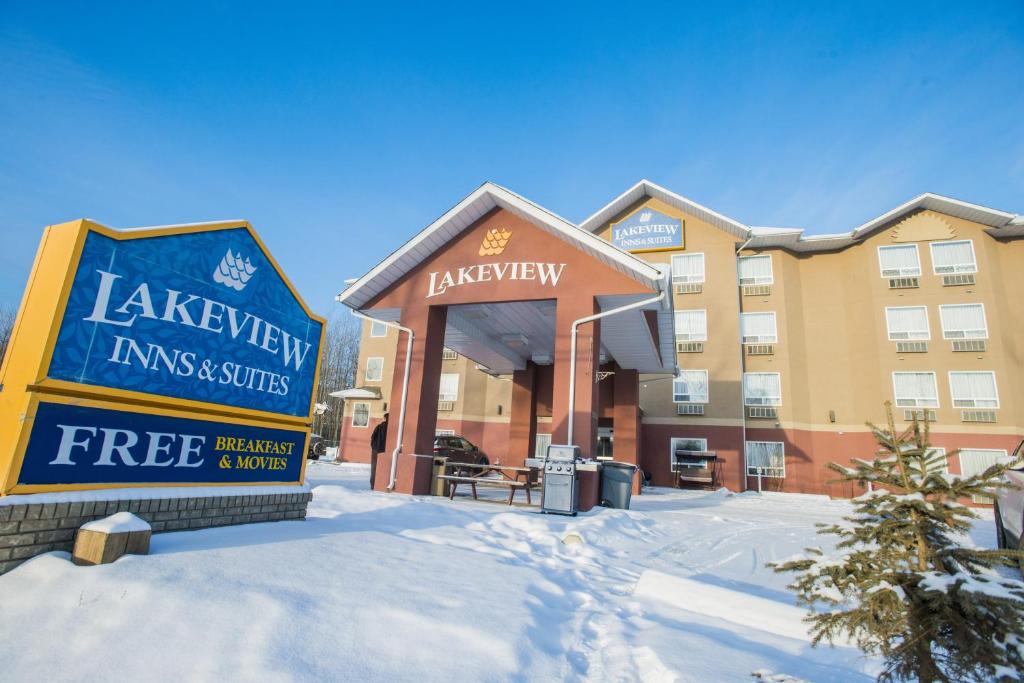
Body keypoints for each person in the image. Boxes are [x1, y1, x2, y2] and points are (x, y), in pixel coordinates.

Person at [369, 412, 389, 489]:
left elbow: (372, 437)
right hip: (385, 450)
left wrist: (373, 447)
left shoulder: (379, 426)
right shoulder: (391, 428)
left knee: (374, 468)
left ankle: (373, 485)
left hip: (375, 450)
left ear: (385, 418)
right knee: (385, 468)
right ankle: (382, 485)